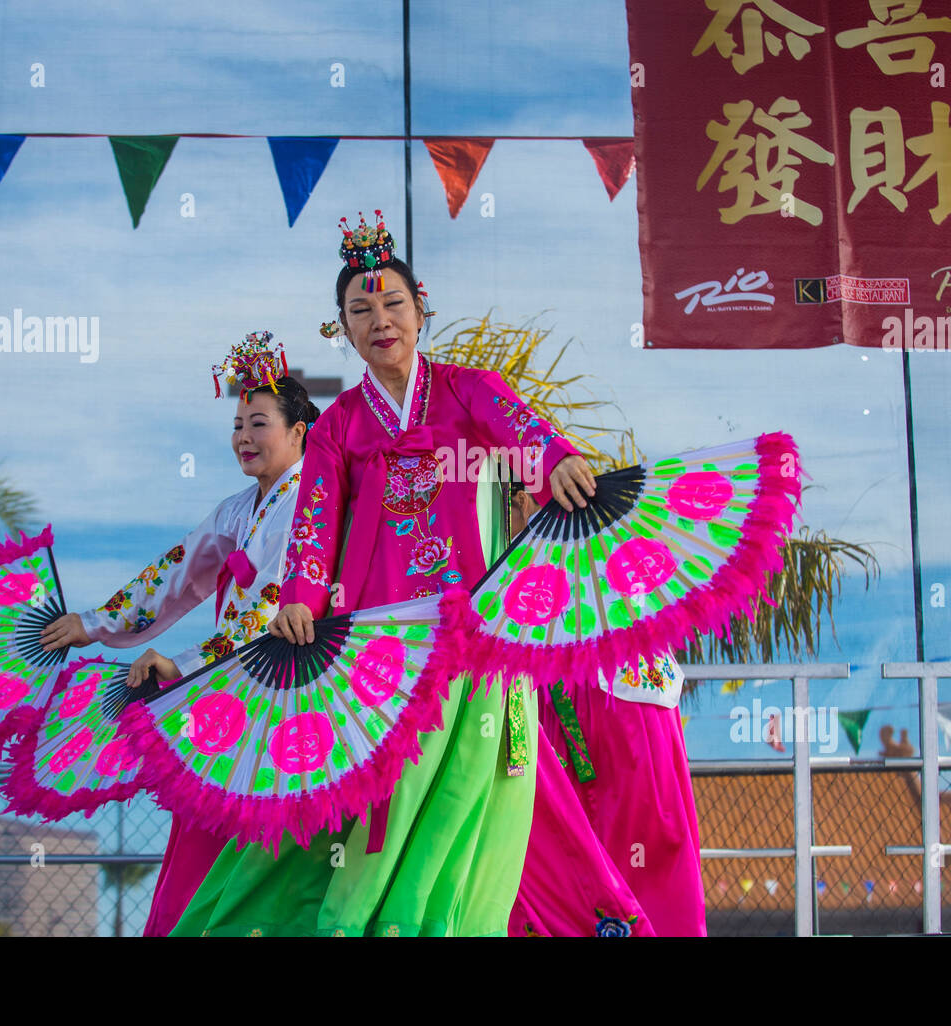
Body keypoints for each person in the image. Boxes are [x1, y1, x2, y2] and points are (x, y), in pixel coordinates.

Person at [172, 210, 597, 936]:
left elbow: (527, 436)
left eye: (392, 304)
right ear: (342, 328)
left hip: (479, 643)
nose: (380, 320)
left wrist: (558, 463)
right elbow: (315, 522)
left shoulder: (471, 390)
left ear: (420, 309)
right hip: (382, 651)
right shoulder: (340, 425)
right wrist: (302, 598)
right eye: (359, 311)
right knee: (377, 821)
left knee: (472, 810)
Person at [37, 334, 319, 936]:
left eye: (259, 422)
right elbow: (174, 571)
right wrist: (93, 624)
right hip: (234, 680)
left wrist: (184, 665)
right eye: (238, 423)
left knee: (262, 848)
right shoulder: (237, 509)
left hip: (286, 683)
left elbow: (272, 603)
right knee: (203, 838)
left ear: (300, 432)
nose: (244, 435)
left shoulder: (310, 503)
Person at [507, 485, 708, 936]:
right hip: (643, 721)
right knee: (656, 867)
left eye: (508, 510)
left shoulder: (547, 571)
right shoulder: (611, 558)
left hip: (603, 722)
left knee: (590, 865)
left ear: (525, 503)